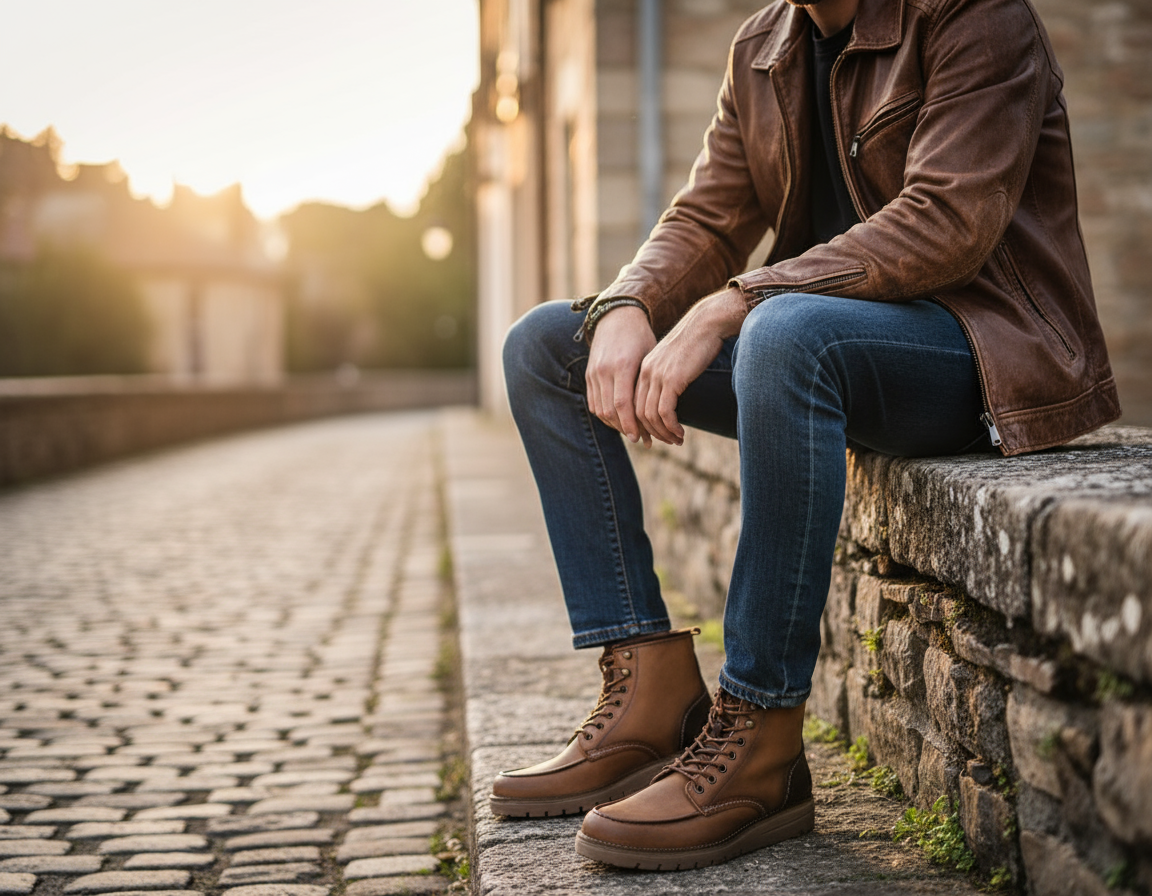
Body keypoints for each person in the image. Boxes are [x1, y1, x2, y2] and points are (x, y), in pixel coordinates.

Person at [493, 0, 1119, 872]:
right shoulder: (764, 47)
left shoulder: (976, 16)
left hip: (981, 350)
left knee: (784, 332)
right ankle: (648, 692)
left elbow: (949, 218)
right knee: (545, 347)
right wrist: (629, 302)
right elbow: (707, 217)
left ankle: (759, 735)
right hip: (817, 349)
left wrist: (734, 303)